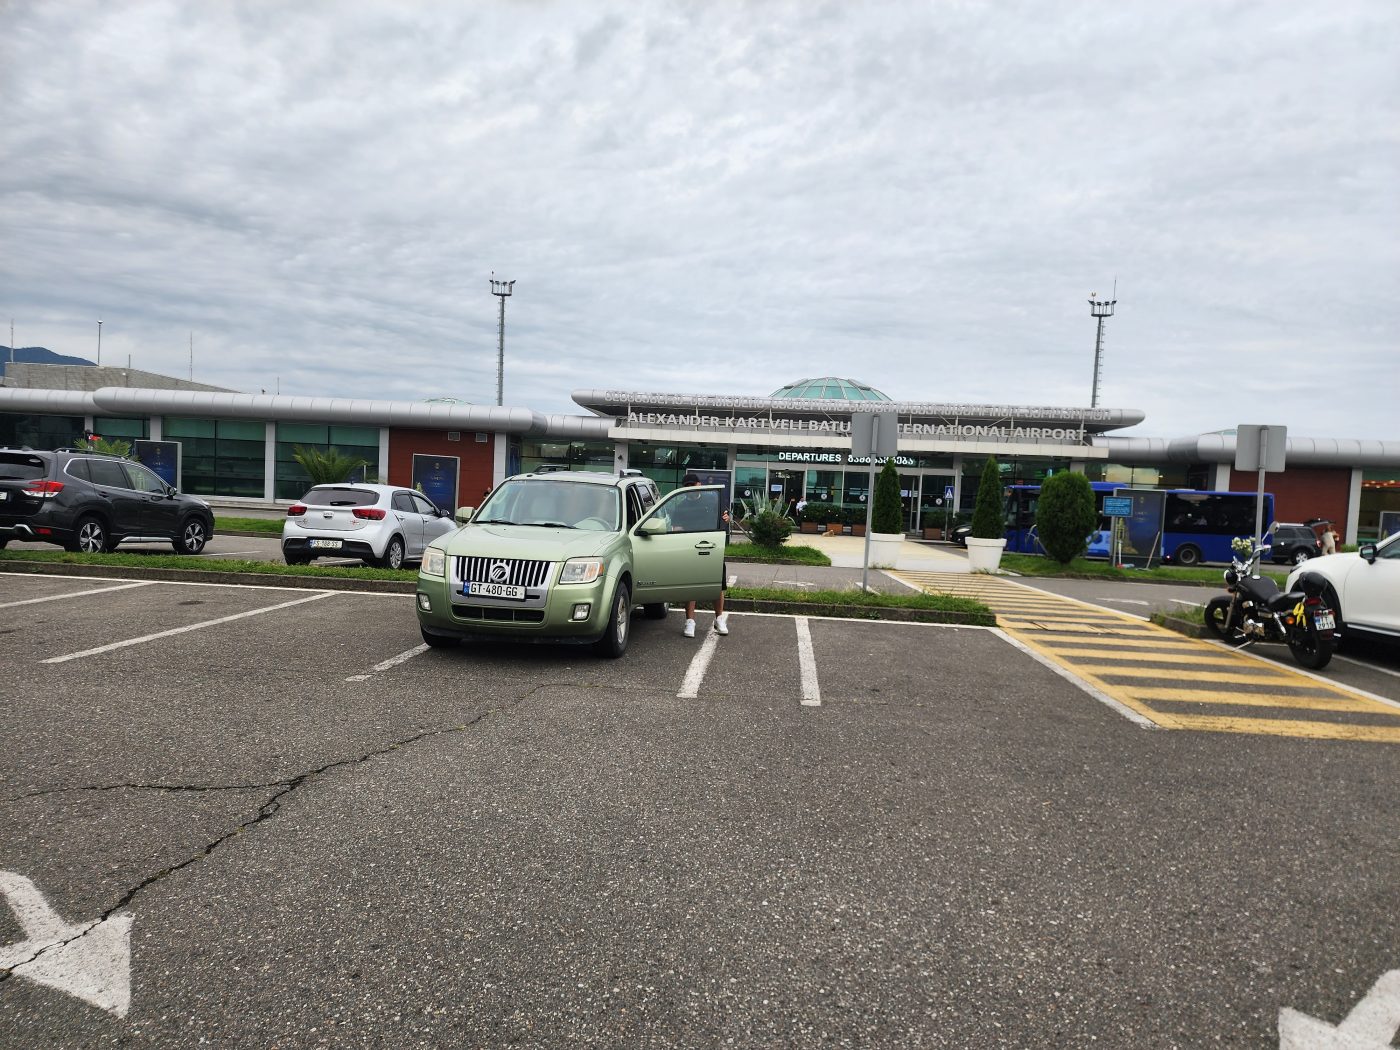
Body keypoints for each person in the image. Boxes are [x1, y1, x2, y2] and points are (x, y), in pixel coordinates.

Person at [671, 473, 730, 637]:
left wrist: (727, 518)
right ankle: (690, 621)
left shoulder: (713, 501)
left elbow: (725, 518)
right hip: (690, 550)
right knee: (691, 585)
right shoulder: (680, 506)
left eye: (693, 485)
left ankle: (719, 618)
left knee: (718, 584)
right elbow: (676, 529)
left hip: (712, 547)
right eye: (687, 486)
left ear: (699, 484)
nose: (690, 488)